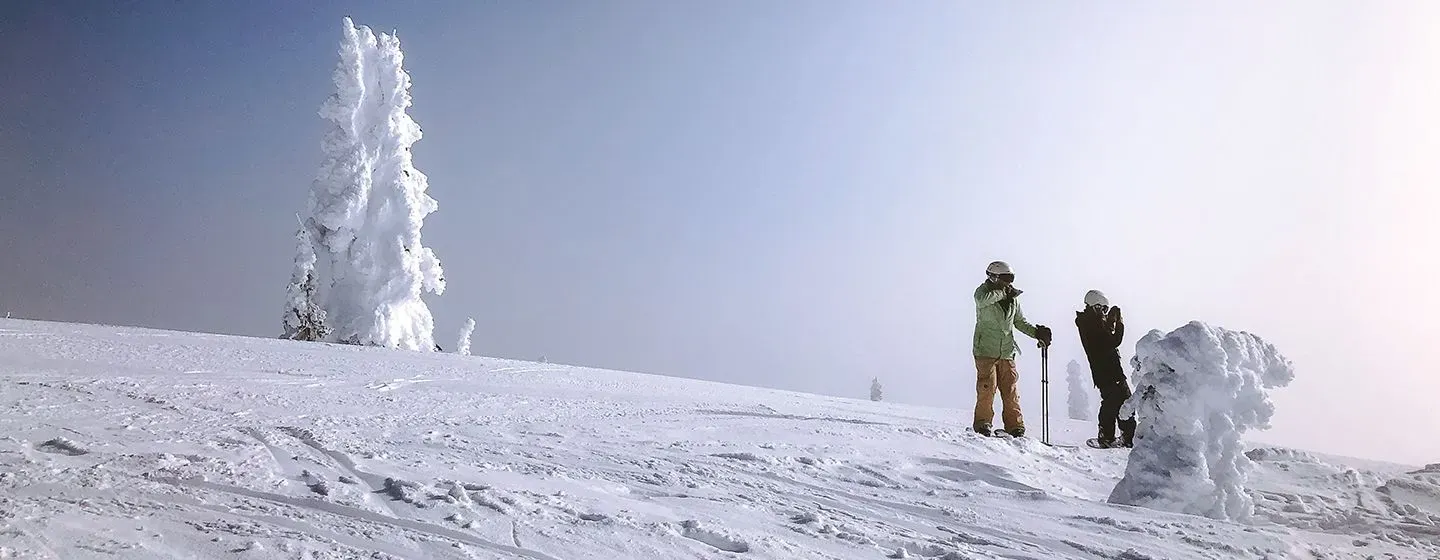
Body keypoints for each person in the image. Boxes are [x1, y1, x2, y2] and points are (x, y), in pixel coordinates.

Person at [972, 261, 1052, 437]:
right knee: (987, 387)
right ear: (994, 277)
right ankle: (983, 423)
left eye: (1011, 278)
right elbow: (981, 301)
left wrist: (1037, 333)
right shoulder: (983, 292)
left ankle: (1015, 426)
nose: (1009, 282)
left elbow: (1019, 322)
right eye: (1005, 278)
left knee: (1010, 390)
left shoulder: (1012, 300)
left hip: (1007, 351)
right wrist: (1002, 293)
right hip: (986, 349)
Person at [1075, 289, 1135, 447]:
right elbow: (1112, 341)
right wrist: (1119, 323)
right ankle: (1114, 437)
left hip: (1106, 372)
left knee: (1118, 402)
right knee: (1118, 402)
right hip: (1109, 372)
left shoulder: (1089, 322)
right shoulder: (1091, 324)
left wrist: (1110, 321)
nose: (1105, 312)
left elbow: (1105, 338)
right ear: (1096, 306)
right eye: (1104, 309)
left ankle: (1118, 436)